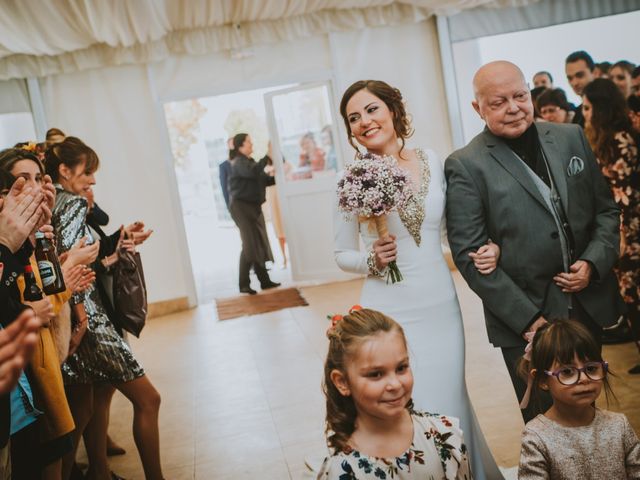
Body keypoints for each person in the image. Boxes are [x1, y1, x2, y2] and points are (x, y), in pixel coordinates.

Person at [334, 79, 503, 479]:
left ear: (393, 110)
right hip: (387, 307)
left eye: (371, 109)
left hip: (439, 303)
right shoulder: (351, 179)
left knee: (449, 399)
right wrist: (371, 261)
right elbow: (341, 254)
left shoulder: (430, 160)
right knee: (405, 407)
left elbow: (450, 231)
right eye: (353, 118)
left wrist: (487, 247)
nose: (364, 122)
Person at [445, 61, 625, 424]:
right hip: (525, 319)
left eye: (520, 96)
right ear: (477, 108)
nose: (513, 107)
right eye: (498, 102)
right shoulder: (466, 164)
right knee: (547, 424)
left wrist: (592, 263)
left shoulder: (571, 137)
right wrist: (530, 321)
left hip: (586, 304)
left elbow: (606, 212)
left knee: (589, 414)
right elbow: (469, 257)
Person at [45, 137, 164, 480]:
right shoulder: (71, 203)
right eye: (88, 171)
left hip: (71, 319)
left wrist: (118, 238)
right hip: (89, 322)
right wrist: (81, 318)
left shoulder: (55, 202)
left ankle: (86, 474)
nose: (93, 180)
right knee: (149, 400)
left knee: (80, 411)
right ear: (64, 170)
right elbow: (72, 266)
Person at [317, 307, 471, 479]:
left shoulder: (443, 435)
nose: (395, 384)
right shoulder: (342, 470)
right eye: (376, 374)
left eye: (401, 368)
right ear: (342, 382)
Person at [517, 319, 640, 479]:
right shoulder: (536, 438)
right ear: (542, 379)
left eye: (591, 368)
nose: (583, 378)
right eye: (567, 371)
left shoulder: (619, 425)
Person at [583, 78, 640, 374]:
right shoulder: (603, 138)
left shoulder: (620, 139)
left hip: (630, 230)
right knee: (629, 294)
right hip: (620, 229)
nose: (585, 113)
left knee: (633, 293)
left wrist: (621, 236)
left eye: (589, 107)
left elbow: (625, 195)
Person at [228, 133, 280, 294]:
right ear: (241, 146)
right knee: (249, 245)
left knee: (257, 243)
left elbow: (263, 178)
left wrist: (280, 175)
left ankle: (264, 281)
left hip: (252, 207)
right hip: (241, 208)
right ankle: (243, 284)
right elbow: (253, 172)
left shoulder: (248, 162)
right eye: (249, 143)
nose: (252, 145)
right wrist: (267, 156)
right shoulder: (238, 162)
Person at [565, 50, 595, 127]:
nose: (574, 83)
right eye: (570, 78)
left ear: (594, 72)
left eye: (580, 75)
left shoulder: (609, 106)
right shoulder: (578, 113)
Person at [219, 137, 234, 210]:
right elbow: (224, 188)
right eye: (232, 144)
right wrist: (230, 207)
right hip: (235, 205)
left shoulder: (246, 163)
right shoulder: (224, 166)